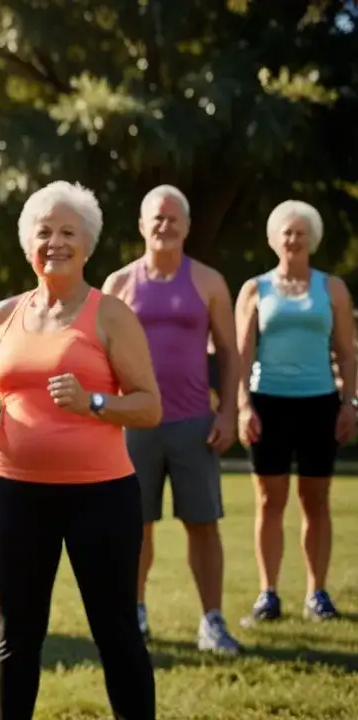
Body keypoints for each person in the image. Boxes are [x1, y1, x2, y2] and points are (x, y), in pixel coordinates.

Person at [0, 181, 160, 720]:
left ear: (87, 244)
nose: (55, 242)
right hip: (15, 494)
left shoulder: (110, 314)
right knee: (17, 635)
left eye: (68, 232)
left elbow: (149, 406)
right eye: (44, 232)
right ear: (27, 245)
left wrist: (94, 403)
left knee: (116, 633)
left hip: (102, 498)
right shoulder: (4, 314)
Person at [102, 185, 243, 654]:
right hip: (134, 424)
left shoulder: (208, 282)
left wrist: (228, 411)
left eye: (173, 218)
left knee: (202, 524)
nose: (164, 225)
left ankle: (212, 621)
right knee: (133, 526)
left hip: (194, 423)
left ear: (186, 225)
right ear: (142, 226)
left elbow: (229, 351)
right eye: (155, 218)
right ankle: (135, 614)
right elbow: (99, 355)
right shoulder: (119, 284)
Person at [235, 199, 353, 624]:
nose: (293, 238)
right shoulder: (255, 289)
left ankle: (316, 594)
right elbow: (242, 355)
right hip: (268, 402)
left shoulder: (333, 288)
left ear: (312, 239)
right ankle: (268, 594)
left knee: (316, 500)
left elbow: (346, 353)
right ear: (273, 239)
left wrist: (349, 403)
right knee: (270, 500)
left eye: (301, 232)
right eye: (286, 231)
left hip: (320, 403)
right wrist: (243, 404)